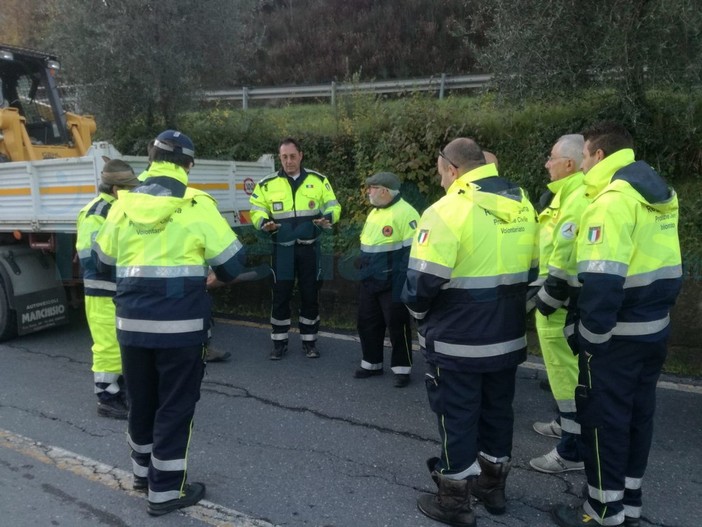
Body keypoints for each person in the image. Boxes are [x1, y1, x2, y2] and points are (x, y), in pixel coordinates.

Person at [93, 130, 247, 516]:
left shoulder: (121, 205)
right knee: (175, 407)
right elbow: (233, 264)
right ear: (189, 165)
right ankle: (164, 493)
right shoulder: (197, 205)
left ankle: (142, 474)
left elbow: (102, 263)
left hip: (131, 324)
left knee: (141, 401)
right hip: (181, 328)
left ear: (150, 158)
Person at [551, 122, 682, 527]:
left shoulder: (610, 201)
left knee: (604, 421)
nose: (584, 166)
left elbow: (604, 283)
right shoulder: (659, 192)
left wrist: (589, 338)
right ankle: (630, 500)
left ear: (598, 155)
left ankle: (603, 510)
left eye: (586, 156)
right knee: (638, 416)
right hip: (653, 327)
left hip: (617, 335)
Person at [402, 139, 538, 526]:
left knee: (457, 418)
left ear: (453, 168)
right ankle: (492, 488)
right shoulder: (523, 205)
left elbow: (420, 286)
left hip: (456, 340)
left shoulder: (445, 211)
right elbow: (533, 274)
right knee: (498, 412)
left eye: (439, 169)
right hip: (508, 337)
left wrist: (419, 317)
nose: (439, 177)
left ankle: (454, 503)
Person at [249, 137, 341, 360]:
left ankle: (309, 342)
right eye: (284, 157)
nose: (288, 161)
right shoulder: (266, 184)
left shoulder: (319, 180)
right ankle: (279, 343)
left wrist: (327, 218)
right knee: (281, 295)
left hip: (309, 249)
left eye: (292, 156)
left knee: (310, 294)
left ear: (300, 155)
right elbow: (255, 209)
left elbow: (334, 206)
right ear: (279, 158)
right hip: (282, 250)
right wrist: (263, 223)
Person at [529, 135, 588, 474]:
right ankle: (564, 424)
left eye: (551, 158)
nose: (547, 164)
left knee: (568, 381)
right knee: (562, 377)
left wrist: (548, 300)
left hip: (559, 304)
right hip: (553, 301)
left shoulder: (576, 199)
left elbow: (567, 258)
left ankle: (572, 452)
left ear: (569, 163)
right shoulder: (564, 196)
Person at [76, 158, 140, 419]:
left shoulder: (117, 208)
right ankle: (106, 397)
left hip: (117, 289)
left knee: (120, 344)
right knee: (108, 347)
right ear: (116, 189)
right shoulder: (97, 213)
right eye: (130, 187)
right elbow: (92, 258)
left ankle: (119, 389)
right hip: (102, 291)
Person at [353, 172, 419, 388]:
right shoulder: (374, 212)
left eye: (372, 188)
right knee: (367, 322)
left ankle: (402, 369)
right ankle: (372, 363)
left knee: (397, 325)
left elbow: (412, 252)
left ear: (384, 191)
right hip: (370, 279)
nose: (369, 192)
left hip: (393, 282)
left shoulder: (406, 213)